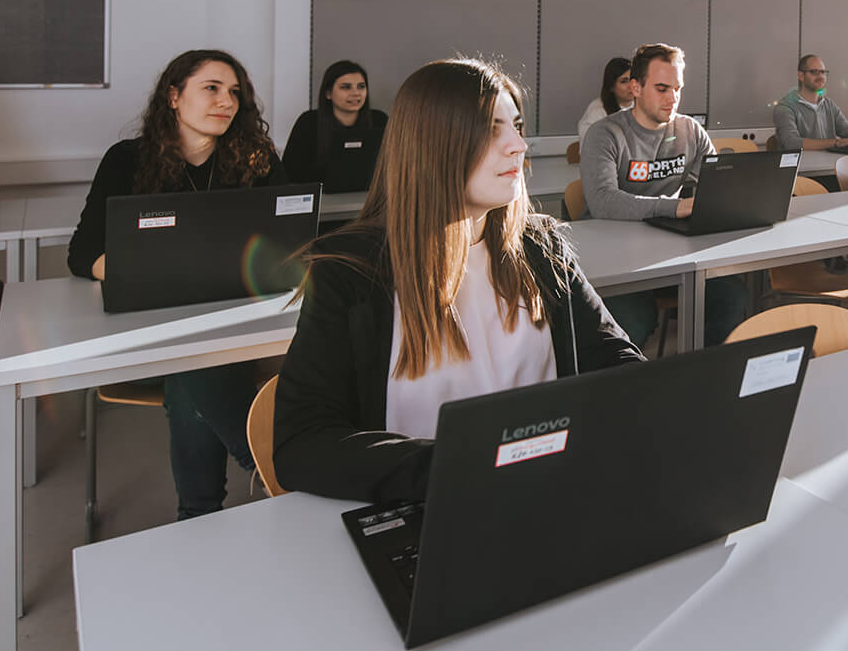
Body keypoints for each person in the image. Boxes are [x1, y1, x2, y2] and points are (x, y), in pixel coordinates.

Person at [273, 59, 642, 501]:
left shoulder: (541, 249)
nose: (518, 145)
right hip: (429, 505)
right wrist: (464, 467)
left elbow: (621, 367)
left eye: (517, 125)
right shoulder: (350, 272)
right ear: (431, 145)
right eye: (491, 128)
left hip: (551, 492)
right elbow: (302, 444)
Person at [67, 49, 282, 519]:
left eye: (234, 92)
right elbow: (83, 254)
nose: (226, 101)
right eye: (211, 88)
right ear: (173, 95)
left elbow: (284, 245)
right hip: (148, 329)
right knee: (197, 361)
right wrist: (157, 276)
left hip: (237, 324)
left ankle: (199, 516)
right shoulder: (127, 160)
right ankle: (268, 470)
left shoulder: (257, 160)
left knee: (195, 368)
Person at [578, 42, 747, 346]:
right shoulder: (605, 133)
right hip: (611, 257)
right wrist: (674, 207)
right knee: (634, 319)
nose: (673, 99)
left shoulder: (690, 131)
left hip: (668, 250)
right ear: (636, 88)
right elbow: (602, 201)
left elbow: (717, 186)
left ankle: (702, 381)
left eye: (677, 89)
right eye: (661, 88)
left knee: (731, 296)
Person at [280, 59, 389, 187]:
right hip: (321, 200)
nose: (356, 93)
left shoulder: (379, 120)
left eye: (361, 86)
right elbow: (290, 174)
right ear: (328, 93)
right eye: (346, 87)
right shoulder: (308, 122)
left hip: (367, 197)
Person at [770, 54, 848, 152]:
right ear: (801, 76)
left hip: (828, 164)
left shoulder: (828, 104)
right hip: (801, 166)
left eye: (823, 72)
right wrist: (836, 143)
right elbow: (792, 143)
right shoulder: (784, 108)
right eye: (814, 72)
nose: (820, 76)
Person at [576, 56, 635, 142]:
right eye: (624, 81)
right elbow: (591, 149)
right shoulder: (597, 111)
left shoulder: (644, 107)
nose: (631, 86)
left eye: (633, 80)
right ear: (611, 86)